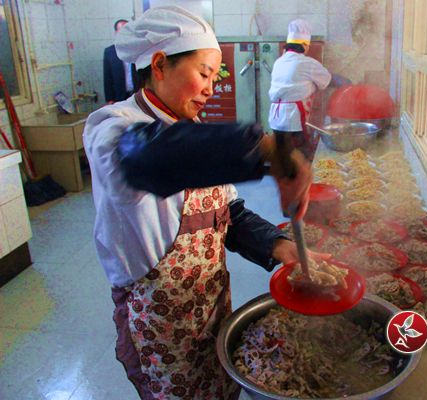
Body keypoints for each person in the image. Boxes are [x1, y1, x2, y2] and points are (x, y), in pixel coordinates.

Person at [83, 6, 321, 399]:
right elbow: (146, 157)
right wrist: (268, 147)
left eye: (215, 77)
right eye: (204, 74)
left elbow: (229, 213)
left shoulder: (192, 129)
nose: (210, 88)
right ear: (160, 65)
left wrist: (279, 245)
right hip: (160, 323)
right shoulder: (112, 127)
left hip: (211, 307)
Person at [268, 19, 332, 162]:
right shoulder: (306, 63)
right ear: (304, 45)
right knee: (299, 159)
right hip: (294, 120)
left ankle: (284, 175)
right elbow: (326, 81)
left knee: (282, 157)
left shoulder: (279, 62)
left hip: (276, 119)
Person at [103, 19, 136, 104]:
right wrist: (110, 99)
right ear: (116, 33)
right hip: (119, 96)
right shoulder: (110, 52)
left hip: (138, 94)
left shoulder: (138, 49)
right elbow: (107, 77)